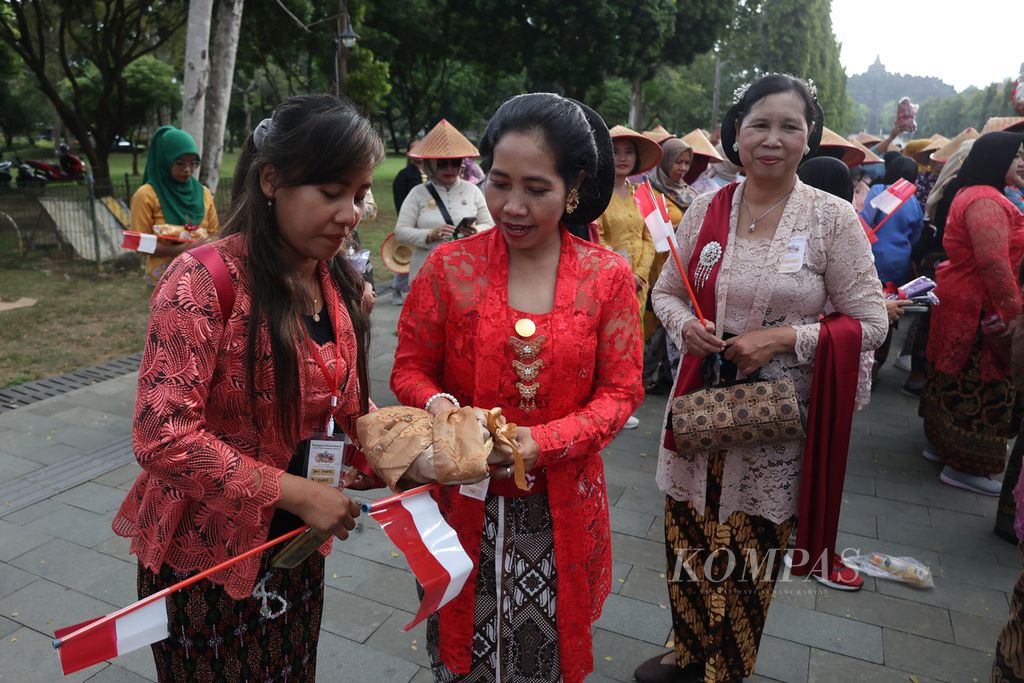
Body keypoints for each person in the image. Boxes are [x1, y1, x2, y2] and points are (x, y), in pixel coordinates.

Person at [112, 94, 385, 681]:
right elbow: (162, 436)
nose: (351, 213)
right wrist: (295, 491)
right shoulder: (202, 281)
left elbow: (345, 409)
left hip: (296, 552)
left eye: (359, 194)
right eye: (332, 192)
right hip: (205, 561)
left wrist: (404, 453)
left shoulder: (337, 281)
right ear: (271, 181)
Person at [636, 74, 887, 683]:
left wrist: (782, 339)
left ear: (810, 139)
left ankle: (728, 667)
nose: (772, 139)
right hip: (701, 407)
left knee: (748, 549)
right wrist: (686, 328)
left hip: (773, 421)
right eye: (759, 125)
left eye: (789, 126)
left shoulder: (832, 220)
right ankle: (689, 649)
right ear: (736, 135)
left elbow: (871, 320)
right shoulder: (707, 208)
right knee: (688, 531)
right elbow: (667, 293)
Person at [390, 93, 644, 683]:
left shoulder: (605, 277)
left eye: (537, 188)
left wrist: (539, 443)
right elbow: (409, 370)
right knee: (460, 648)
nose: (512, 207)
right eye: (500, 184)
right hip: (460, 506)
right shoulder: (448, 268)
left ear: (574, 186)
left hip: (563, 508)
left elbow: (621, 391)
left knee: (545, 656)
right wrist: (444, 411)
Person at [920, 132, 1024, 496]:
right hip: (980, 305)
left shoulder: (975, 192)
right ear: (996, 159)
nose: (1022, 163)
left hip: (961, 299)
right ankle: (965, 465)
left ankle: (940, 445)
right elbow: (994, 262)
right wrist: (1013, 312)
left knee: (947, 374)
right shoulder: (987, 201)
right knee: (982, 380)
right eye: (1017, 156)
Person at [394, 119, 494, 280]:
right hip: (427, 271)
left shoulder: (472, 190)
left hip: (466, 270)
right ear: (430, 164)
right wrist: (430, 234)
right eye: (442, 164)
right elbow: (400, 232)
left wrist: (475, 231)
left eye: (455, 163)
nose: (450, 169)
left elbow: (490, 225)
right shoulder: (418, 193)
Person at [860, 156, 924, 383]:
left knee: (865, 305)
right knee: (889, 310)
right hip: (899, 263)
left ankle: (863, 356)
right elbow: (916, 234)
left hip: (873, 257)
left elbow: (865, 218)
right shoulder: (913, 201)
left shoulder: (878, 189)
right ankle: (878, 359)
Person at [129, 125, 220, 286]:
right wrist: (179, 250)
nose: (187, 170)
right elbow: (139, 243)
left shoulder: (204, 193)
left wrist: (205, 243)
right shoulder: (146, 195)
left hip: (200, 277)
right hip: (163, 280)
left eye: (193, 164)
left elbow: (214, 234)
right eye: (179, 163)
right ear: (165, 160)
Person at [389, 141, 426, 305]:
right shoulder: (403, 175)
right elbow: (399, 201)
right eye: (414, 148)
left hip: (427, 226)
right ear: (409, 153)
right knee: (404, 259)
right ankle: (396, 290)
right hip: (410, 225)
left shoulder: (433, 174)